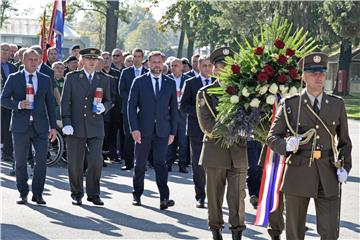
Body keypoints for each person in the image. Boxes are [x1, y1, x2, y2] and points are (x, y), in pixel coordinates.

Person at [267, 52, 352, 240]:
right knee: (295, 232)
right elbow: (272, 137)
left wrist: (345, 166)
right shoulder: (291, 104)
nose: (319, 77)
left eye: (322, 72)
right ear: (303, 76)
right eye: (313, 73)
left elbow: (345, 142)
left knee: (330, 232)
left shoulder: (337, 105)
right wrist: (286, 145)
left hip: (328, 172)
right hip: (298, 171)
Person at [196, 47, 247, 240]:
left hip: (238, 152)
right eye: (220, 65)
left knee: (238, 197)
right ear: (214, 69)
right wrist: (232, 130)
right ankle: (216, 230)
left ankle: (237, 231)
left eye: (228, 65)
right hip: (215, 151)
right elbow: (206, 124)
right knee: (214, 197)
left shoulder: (245, 92)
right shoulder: (205, 93)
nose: (224, 69)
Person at [1, 48, 57, 205]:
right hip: (20, 126)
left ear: (40, 61)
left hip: (40, 126)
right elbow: (3, 99)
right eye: (30, 59)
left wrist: (53, 127)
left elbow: (50, 105)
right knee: (20, 161)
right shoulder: (13, 78)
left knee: (41, 161)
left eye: (36, 59)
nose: (33, 62)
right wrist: (18, 104)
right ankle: (23, 192)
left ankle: (38, 194)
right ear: (23, 61)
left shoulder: (45, 79)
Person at [61, 48, 112, 206]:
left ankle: (93, 193)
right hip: (76, 125)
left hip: (95, 125)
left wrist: (104, 107)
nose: (91, 61)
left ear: (98, 61)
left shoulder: (103, 79)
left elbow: (109, 100)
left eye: (94, 59)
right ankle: (77, 193)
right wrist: (66, 122)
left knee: (96, 160)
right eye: (88, 58)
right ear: (82, 60)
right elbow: (65, 102)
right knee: (75, 162)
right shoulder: (72, 77)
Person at [128, 51, 178, 210]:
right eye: (153, 62)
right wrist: (134, 129)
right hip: (143, 129)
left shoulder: (170, 83)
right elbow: (131, 107)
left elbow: (174, 110)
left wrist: (173, 132)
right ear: (148, 63)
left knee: (160, 163)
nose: (157, 65)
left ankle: (164, 198)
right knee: (140, 164)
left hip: (163, 130)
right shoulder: (139, 81)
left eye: (159, 62)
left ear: (163, 64)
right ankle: (137, 195)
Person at [180, 55, 216, 208]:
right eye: (204, 65)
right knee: (197, 164)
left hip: (215, 130)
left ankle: (214, 195)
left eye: (209, 65)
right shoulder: (190, 83)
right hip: (196, 129)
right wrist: (201, 113)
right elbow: (183, 106)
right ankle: (200, 195)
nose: (207, 68)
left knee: (214, 163)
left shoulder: (218, 83)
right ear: (199, 67)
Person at [119, 48, 148, 170]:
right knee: (129, 136)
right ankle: (129, 162)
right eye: (135, 56)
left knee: (144, 137)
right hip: (128, 110)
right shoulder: (126, 72)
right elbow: (122, 90)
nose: (137, 58)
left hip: (144, 110)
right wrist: (133, 103)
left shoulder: (148, 72)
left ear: (142, 58)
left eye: (139, 56)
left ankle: (142, 163)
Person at [166, 58, 190, 173]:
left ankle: (182, 164)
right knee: (170, 139)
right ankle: (168, 163)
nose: (174, 67)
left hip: (182, 114)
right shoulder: (166, 79)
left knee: (182, 141)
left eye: (176, 65)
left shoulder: (187, 80)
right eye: (172, 65)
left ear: (182, 67)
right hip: (170, 113)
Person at [101, 51, 124, 162]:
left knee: (113, 131)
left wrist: (113, 103)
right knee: (103, 132)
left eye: (107, 58)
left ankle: (113, 153)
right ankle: (102, 154)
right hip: (102, 108)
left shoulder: (117, 73)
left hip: (115, 107)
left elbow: (118, 91)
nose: (105, 60)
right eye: (103, 58)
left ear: (111, 60)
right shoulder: (99, 73)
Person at [1, 43, 18, 167]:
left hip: (8, 101)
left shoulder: (13, 67)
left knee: (7, 127)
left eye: (7, 50)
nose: (5, 52)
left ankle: (7, 153)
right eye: (2, 49)